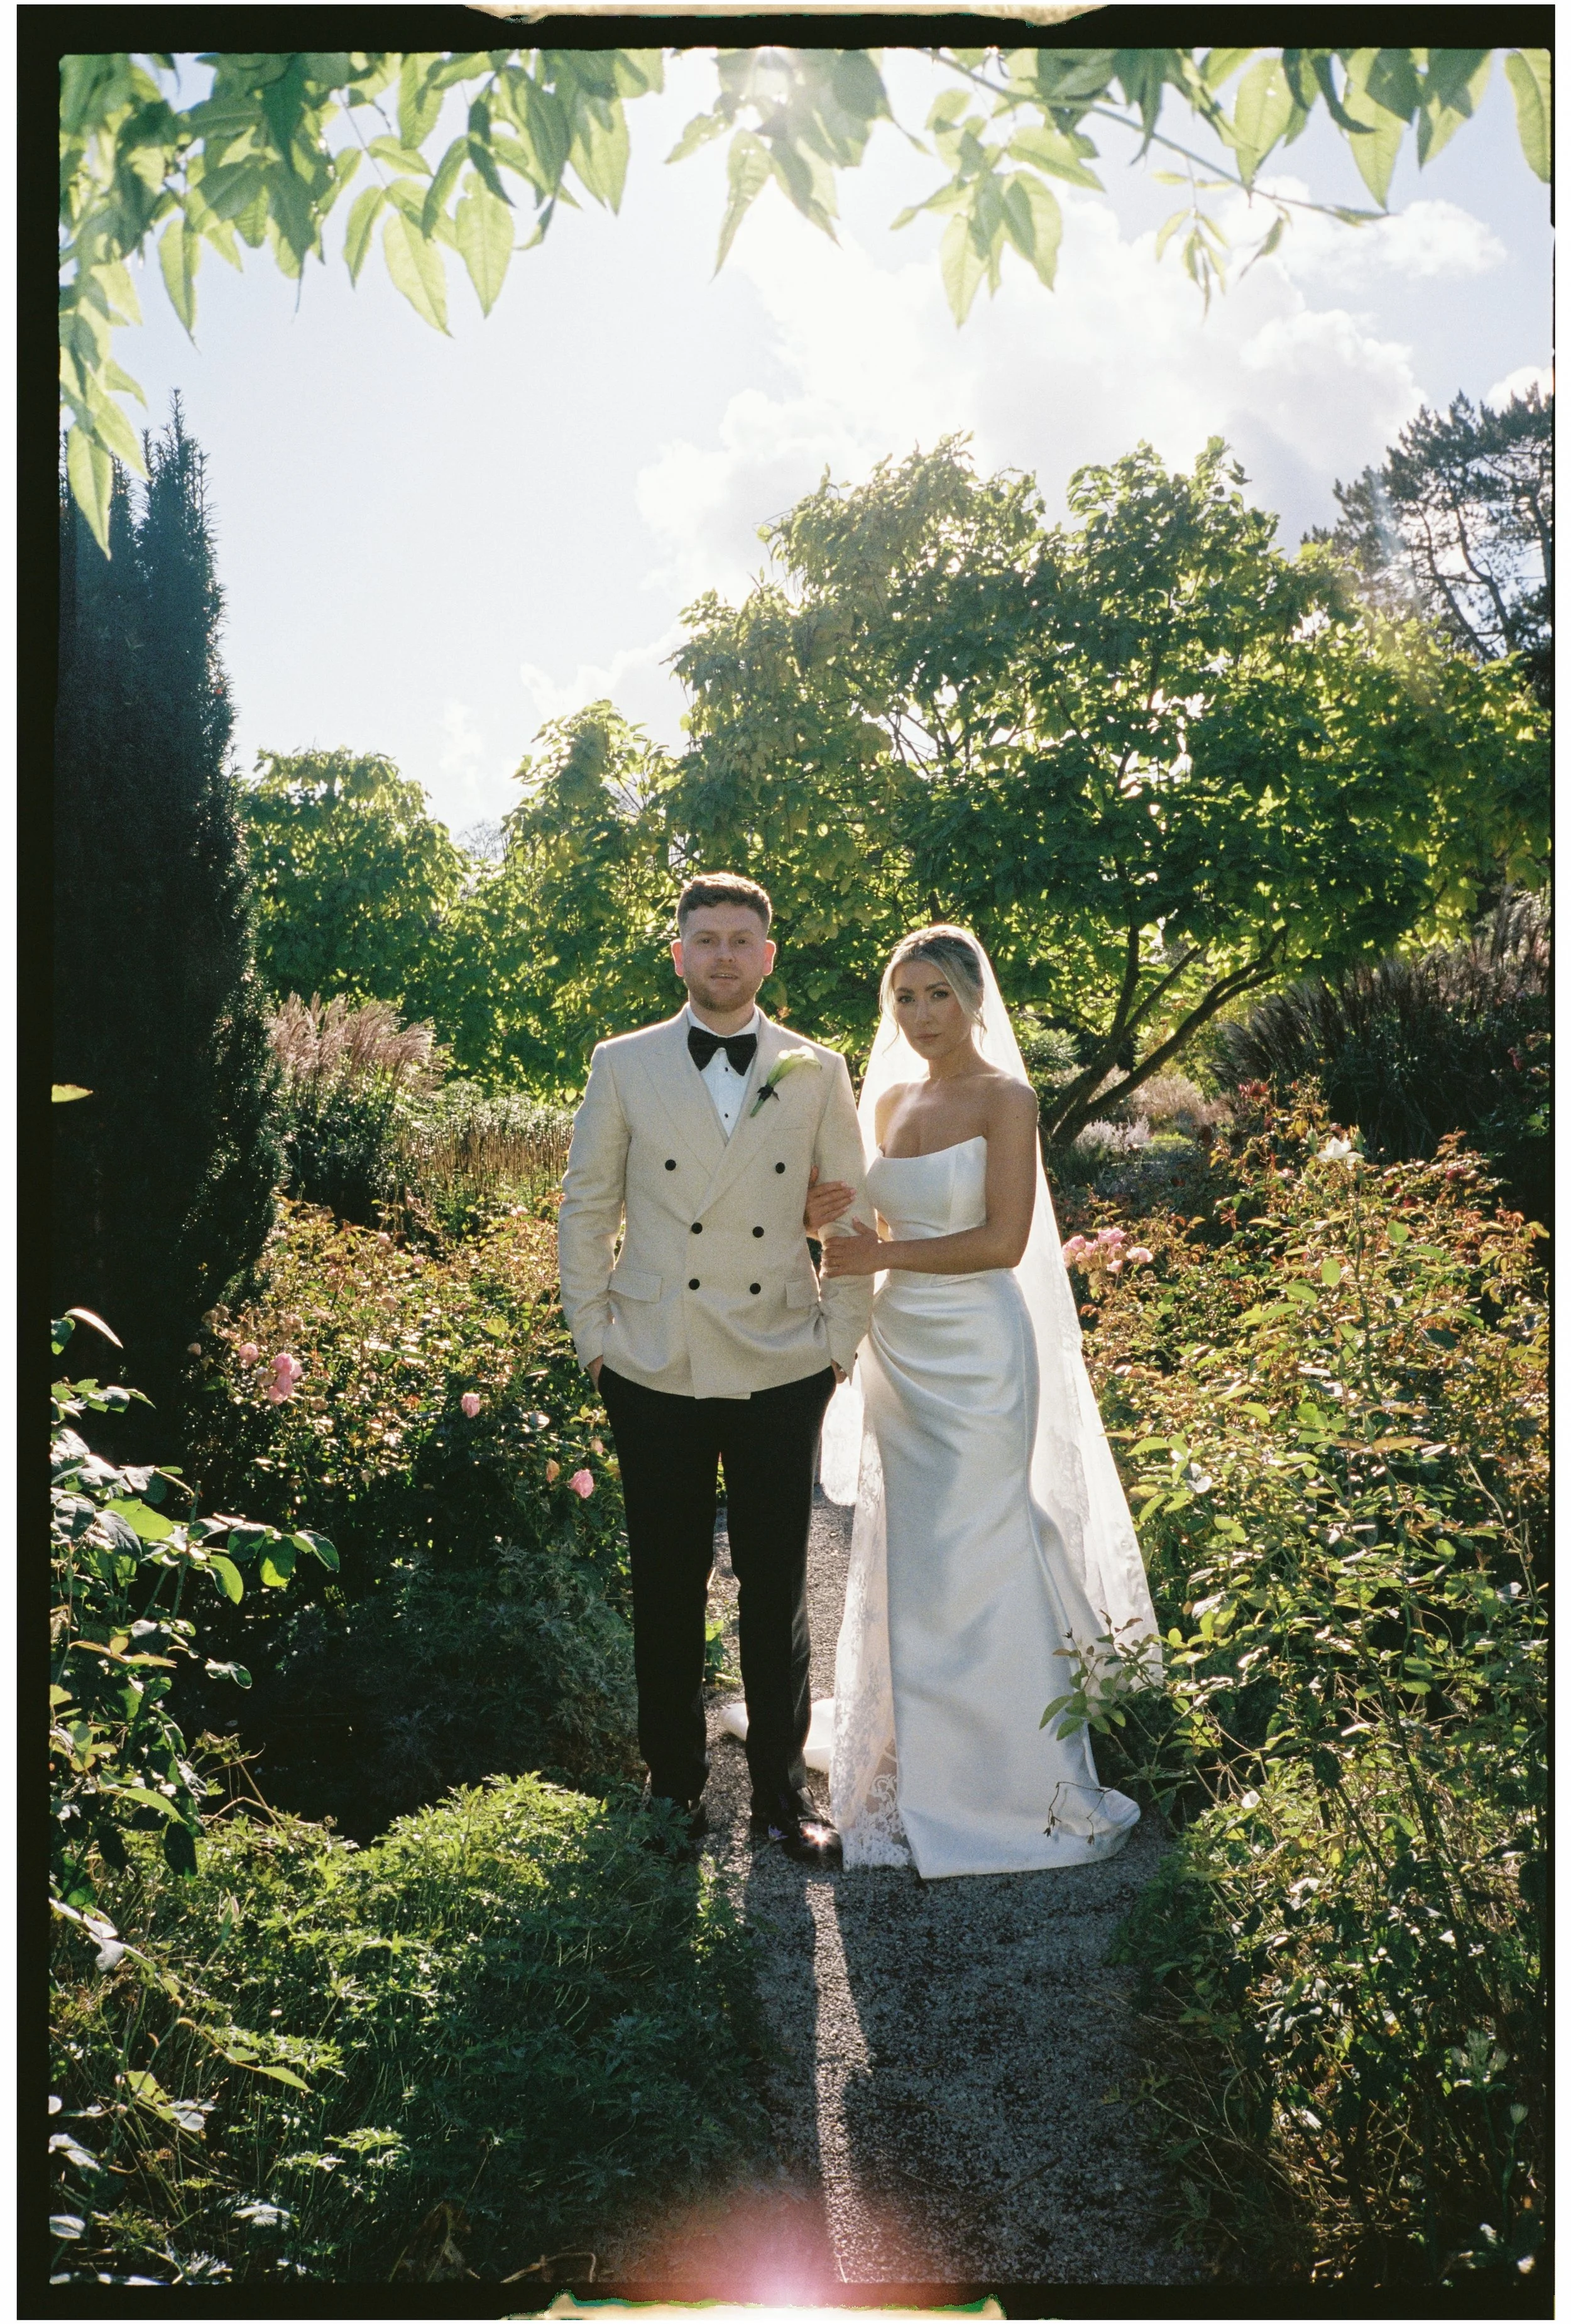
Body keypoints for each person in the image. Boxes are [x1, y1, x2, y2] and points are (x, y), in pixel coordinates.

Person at [805, 926, 1160, 1877]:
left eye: (937, 996)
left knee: (984, 1538)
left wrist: (881, 1252)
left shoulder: (1009, 1099)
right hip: (900, 1346)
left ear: (972, 999)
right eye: (905, 998)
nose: (921, 1015)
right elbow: (862, 1223)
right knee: (915, 1550)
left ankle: (1009, 1772)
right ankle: (915, 1750)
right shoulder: (886, 1100)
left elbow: (1004, 1240)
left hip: (979, 1350)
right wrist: (824, 1223)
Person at [557, 872, 874, 1865]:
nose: (724, 955)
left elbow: (852, 1215)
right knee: (666, 1581)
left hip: (782, 1357)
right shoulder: (622, 1062)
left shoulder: (818, 1069)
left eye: (742, 939)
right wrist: (595, 1340)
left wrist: (838, 1343)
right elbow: (586, 1206)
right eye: (707, 938)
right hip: (655, 1361)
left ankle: (782, 1794)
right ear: (679, 953)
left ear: (768, 957)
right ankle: (673, 1789)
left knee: (776, 1584)